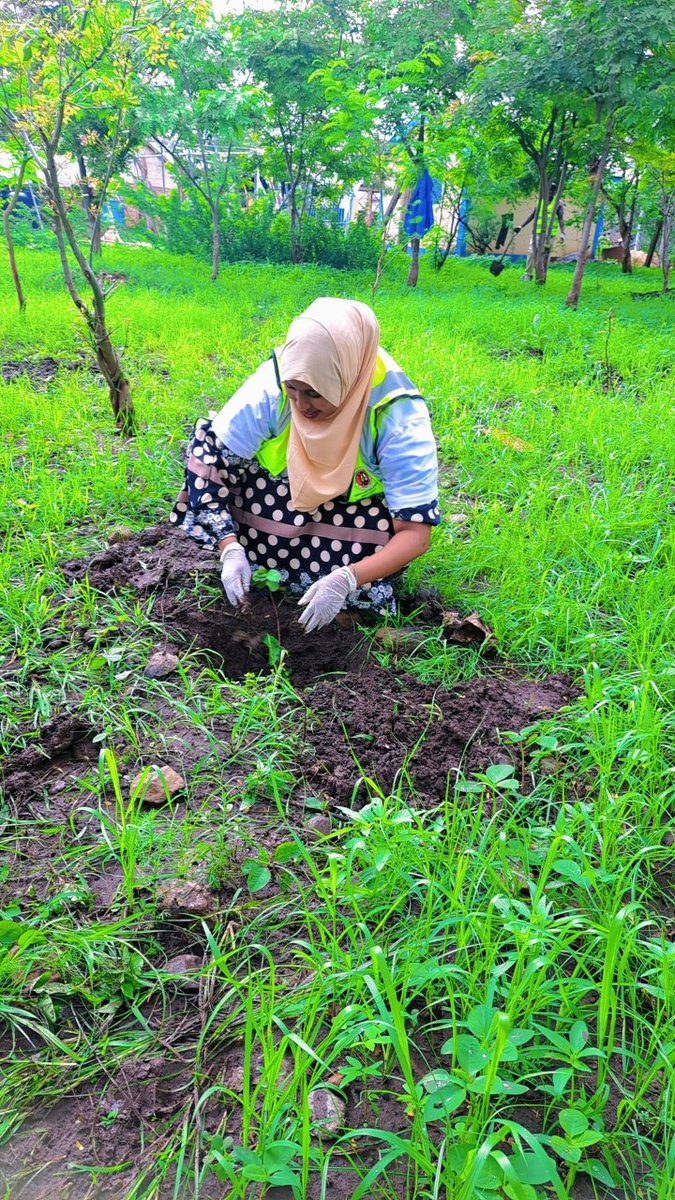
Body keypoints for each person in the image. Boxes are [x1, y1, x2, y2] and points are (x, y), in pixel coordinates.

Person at [171, 298, 440, 633]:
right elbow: (211, 461)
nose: (300, 405)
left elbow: (415, 533)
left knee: (363, 578)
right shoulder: (273, 385)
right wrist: (228, 547)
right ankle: (251, 562)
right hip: (275, 502)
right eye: (293, 389)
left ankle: (339, 584)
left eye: (314, 393)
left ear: (345, 380)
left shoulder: (397, 416)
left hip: (355, 521)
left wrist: (347, 578)